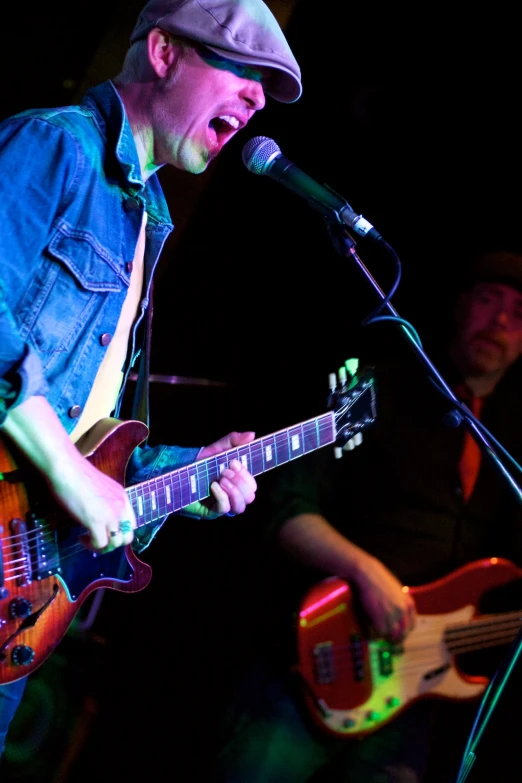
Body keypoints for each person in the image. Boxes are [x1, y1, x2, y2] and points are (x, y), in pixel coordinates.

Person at [0, 0, 302, 760]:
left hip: (16, 598)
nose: (258, 99)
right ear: (163, 53)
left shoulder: (148, 222)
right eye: (242, 69)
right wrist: (70, 471)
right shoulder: (56, 146)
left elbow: (91, 441)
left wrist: (190, 473)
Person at [214, 248, 522, 782]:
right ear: (460, 306)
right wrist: (365, 571)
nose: (499, 321)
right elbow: (287, 503)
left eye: (519, 314)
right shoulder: (373, 383)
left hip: (413, 706)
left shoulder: (510, 441)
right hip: (313, 662)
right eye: (489, 300)